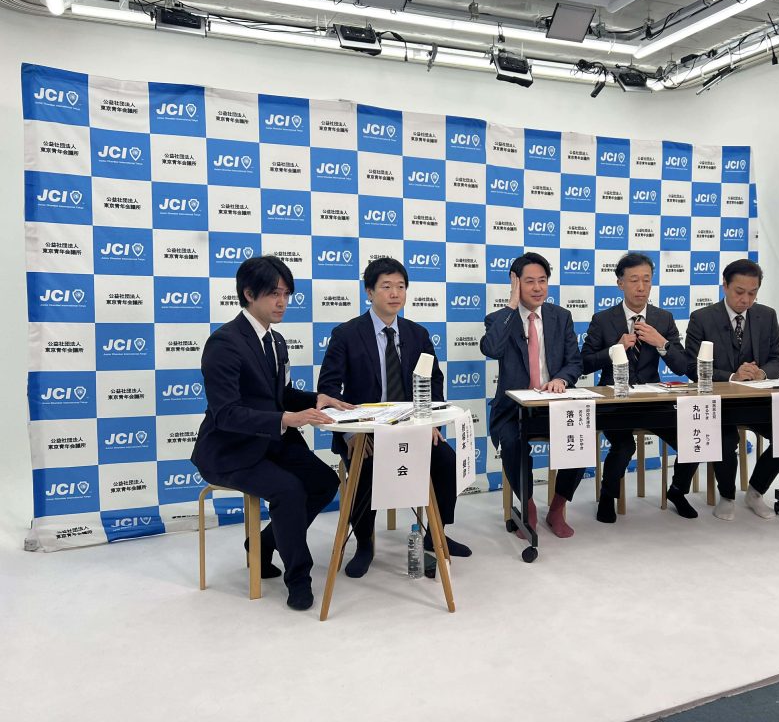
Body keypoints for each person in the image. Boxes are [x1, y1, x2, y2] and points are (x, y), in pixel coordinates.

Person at [191, 255, 352, 611]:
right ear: (249, 294)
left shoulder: (275, 341)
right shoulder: (223, 343)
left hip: (271, 442)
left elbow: (280, 395)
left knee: (324, 482)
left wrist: (317, 399)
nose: (282, 302)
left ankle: (263, 544)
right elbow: (226, 413)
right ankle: (299, 579)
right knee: (289, 490)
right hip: (231, 449)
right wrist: (287, 419)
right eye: (273, 294)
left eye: (286, 294)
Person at [317, 257, 471, 579]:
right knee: (364, 472)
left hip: (413, 429)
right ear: (369, 292)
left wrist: (430, 423)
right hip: (366, 433)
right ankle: (364, 544)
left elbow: (434, 381)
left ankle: (436, 534)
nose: (395, 293)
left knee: (447, 462)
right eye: (386, 286)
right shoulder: (346, 334)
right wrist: (352, 434)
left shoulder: (417, 334)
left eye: (400, 286)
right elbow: (329, 390)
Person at [581, 252, 694, 522]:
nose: (641, 287)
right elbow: (584, 363)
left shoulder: (663, 318)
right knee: (623, 447)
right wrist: (614, 349)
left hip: (651, 401)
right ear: (620, 283)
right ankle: (607, 496)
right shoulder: (603, 319)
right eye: (634, 280)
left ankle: (677, 491)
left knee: (693, 437)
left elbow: (682, 366)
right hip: (614, 402)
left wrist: (661, 343)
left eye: (646, 279)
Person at [480, 252, 584, 538]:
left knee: (580, 437)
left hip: (554, 405)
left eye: (543, 280)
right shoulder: (499, 319)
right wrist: (512, 305)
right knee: (512, 443)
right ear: (515, 283)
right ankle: (527, 506)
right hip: (513, 409)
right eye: (529, 282)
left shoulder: (560, 317)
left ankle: (557, 507)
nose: (538, 288)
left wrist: (561, 379)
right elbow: (491, 349)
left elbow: (575, 362)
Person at [684, 258, 779, 520]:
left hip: (756, 402)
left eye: (753, 293)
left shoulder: (767, 316)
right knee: (726, 440)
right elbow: (693, 368)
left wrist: (760, 373)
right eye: (739, 292)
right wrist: (733, 376)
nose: (746, 300)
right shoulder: (702, 319)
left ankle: (756, 491)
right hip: (719, 404)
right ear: (725, 286)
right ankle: (727, 496)